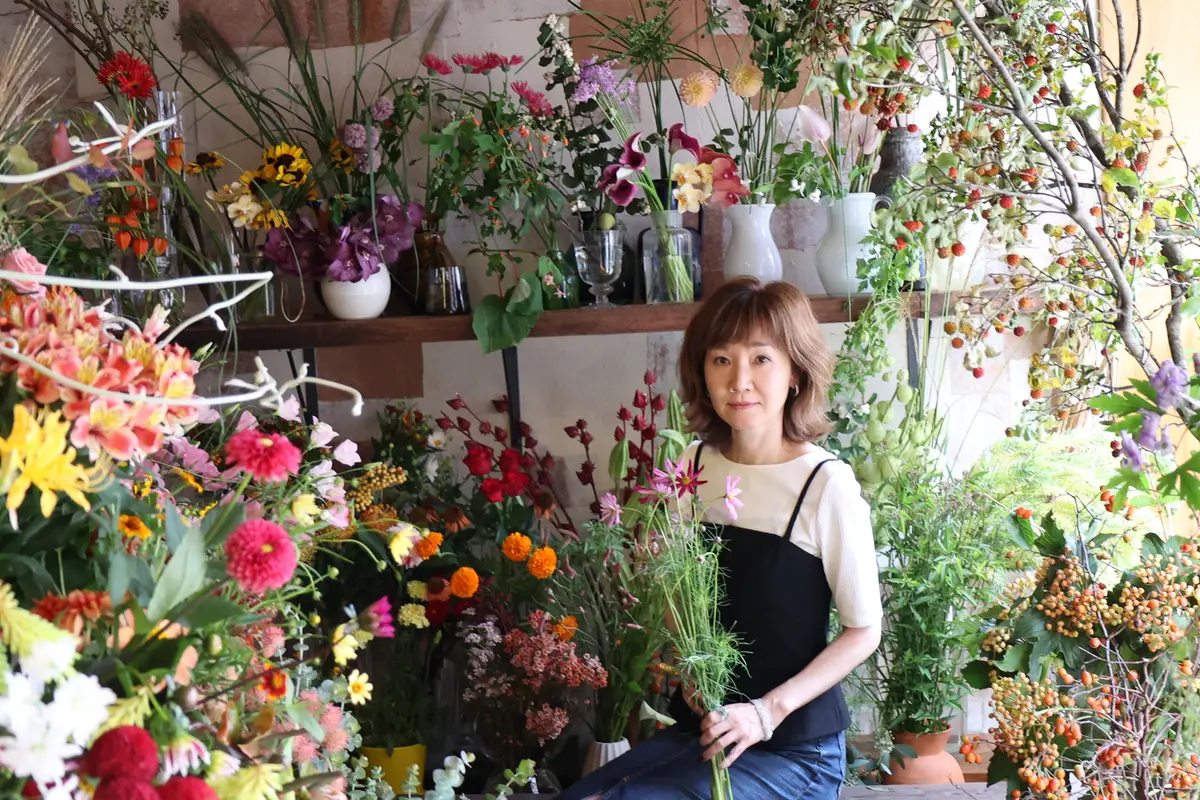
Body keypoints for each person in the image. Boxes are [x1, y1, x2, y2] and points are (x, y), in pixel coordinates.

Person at [560, 277, 883, 800]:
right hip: (704, 736)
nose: (739, 381)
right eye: (721, 360)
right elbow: (676, 592)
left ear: (796, 372)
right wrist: (688, 666)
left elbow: (863, 632)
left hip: (794, 752)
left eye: (761, 359)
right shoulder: (693, 465)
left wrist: (764, 712)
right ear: (702, 372)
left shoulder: (825, 486)